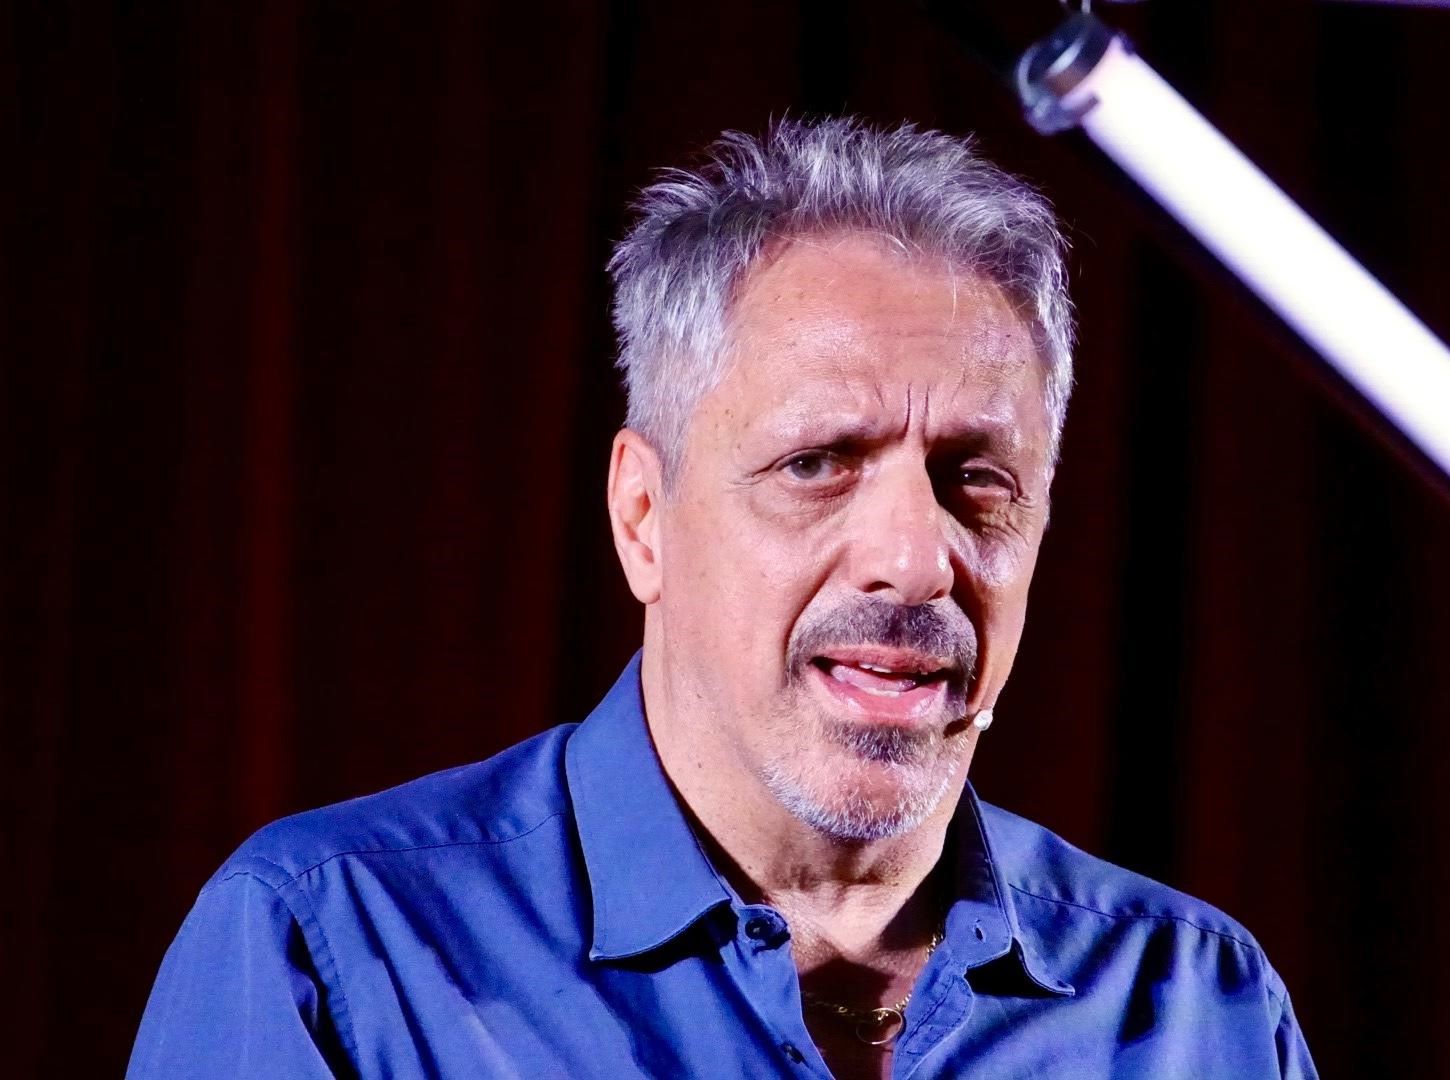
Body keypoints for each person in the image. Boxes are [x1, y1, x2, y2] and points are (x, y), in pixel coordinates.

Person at [128, 117, 1317, 1079]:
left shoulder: (1199, 1008)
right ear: (643, 517)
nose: (914, 560)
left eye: (977, 479)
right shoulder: (338, 948)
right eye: (817, 464)